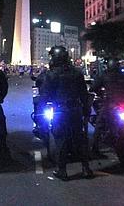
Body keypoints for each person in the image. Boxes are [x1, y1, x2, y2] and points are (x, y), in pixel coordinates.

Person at [38, 46, 93, 181]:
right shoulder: (77, 73)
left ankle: (62, 170)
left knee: (60, 140)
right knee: (79, 139)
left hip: (60, 111)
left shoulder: (51, 75)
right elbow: (83, 94)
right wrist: (86, 110)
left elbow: (44, 96)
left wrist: (39, 115)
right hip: (75, 110)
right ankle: (86, 168)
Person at [91, 58, 124, 157]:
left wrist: (99, 92)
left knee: (99, 124)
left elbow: (94, 87)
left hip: (111, 103)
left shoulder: (105, 76)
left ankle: (94, 148)